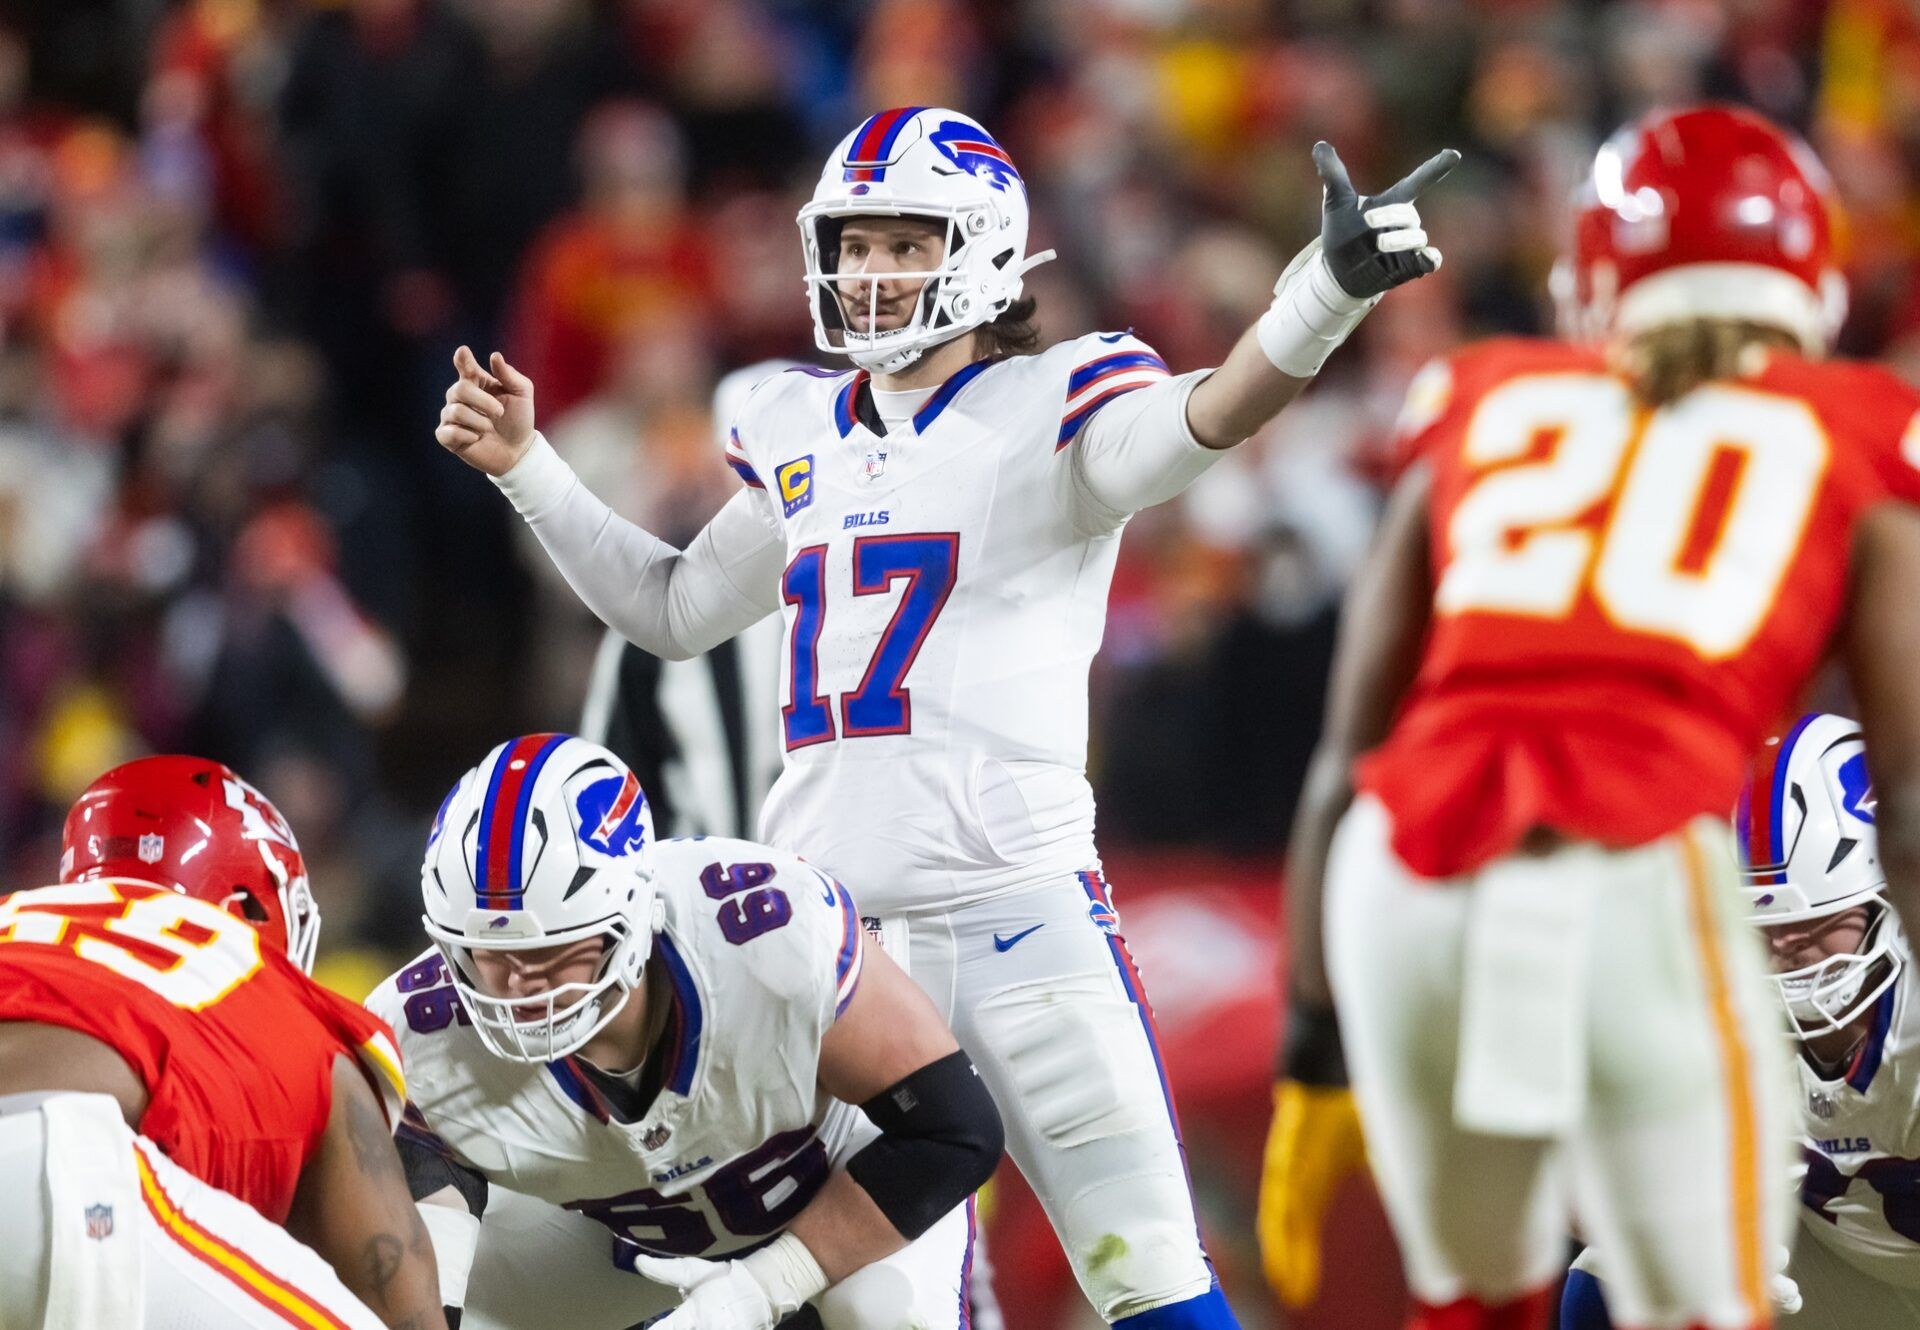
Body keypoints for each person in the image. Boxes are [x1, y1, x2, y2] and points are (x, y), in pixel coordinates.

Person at [436, 105, 1456, 1326]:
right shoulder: (804, 429)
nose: (869, 272)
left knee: (1146, 1272)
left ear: (982, 251)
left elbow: (1214, 411)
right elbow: (671, 607)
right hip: (828, 952)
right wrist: (531, 468)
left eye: (905, 244)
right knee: (883, 1313)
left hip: (1020, 913)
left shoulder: (1056, 402)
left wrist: (1322, 296)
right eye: (855, 244)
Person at [1256, 103, 1920, 1330]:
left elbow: (1351, 755)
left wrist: (1310, 1034)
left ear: (1590, 282)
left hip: (1398, 877)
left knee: (1475, 1299)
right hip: (1631, 864)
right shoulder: (1858, 429)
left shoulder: (1480, 391)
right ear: (1812, 281)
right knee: (1697, 1303)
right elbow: (1914, 798)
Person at [369, 733, 1002, 1329]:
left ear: (633, 913)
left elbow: (953, 1133)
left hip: (842, 1190)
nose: (518, 986)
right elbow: (418, 1249)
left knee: (882, 1311)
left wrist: (766, 1284)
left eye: (551, 950)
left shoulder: (766, 939)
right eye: (489, 954)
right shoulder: (421, 1033)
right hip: (635, 1243)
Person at [0, 756, 445, 1330]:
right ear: (253, 906)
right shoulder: (264, 984)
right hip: (47, 1166)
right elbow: (404, 1308)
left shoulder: (15, 918)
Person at [1562, 713, 1920, 1329]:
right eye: (1761, 931)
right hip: (1837, 1281)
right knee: (1615, 1277)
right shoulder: (1694, 986)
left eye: (1815, 923)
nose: (1787, 952)